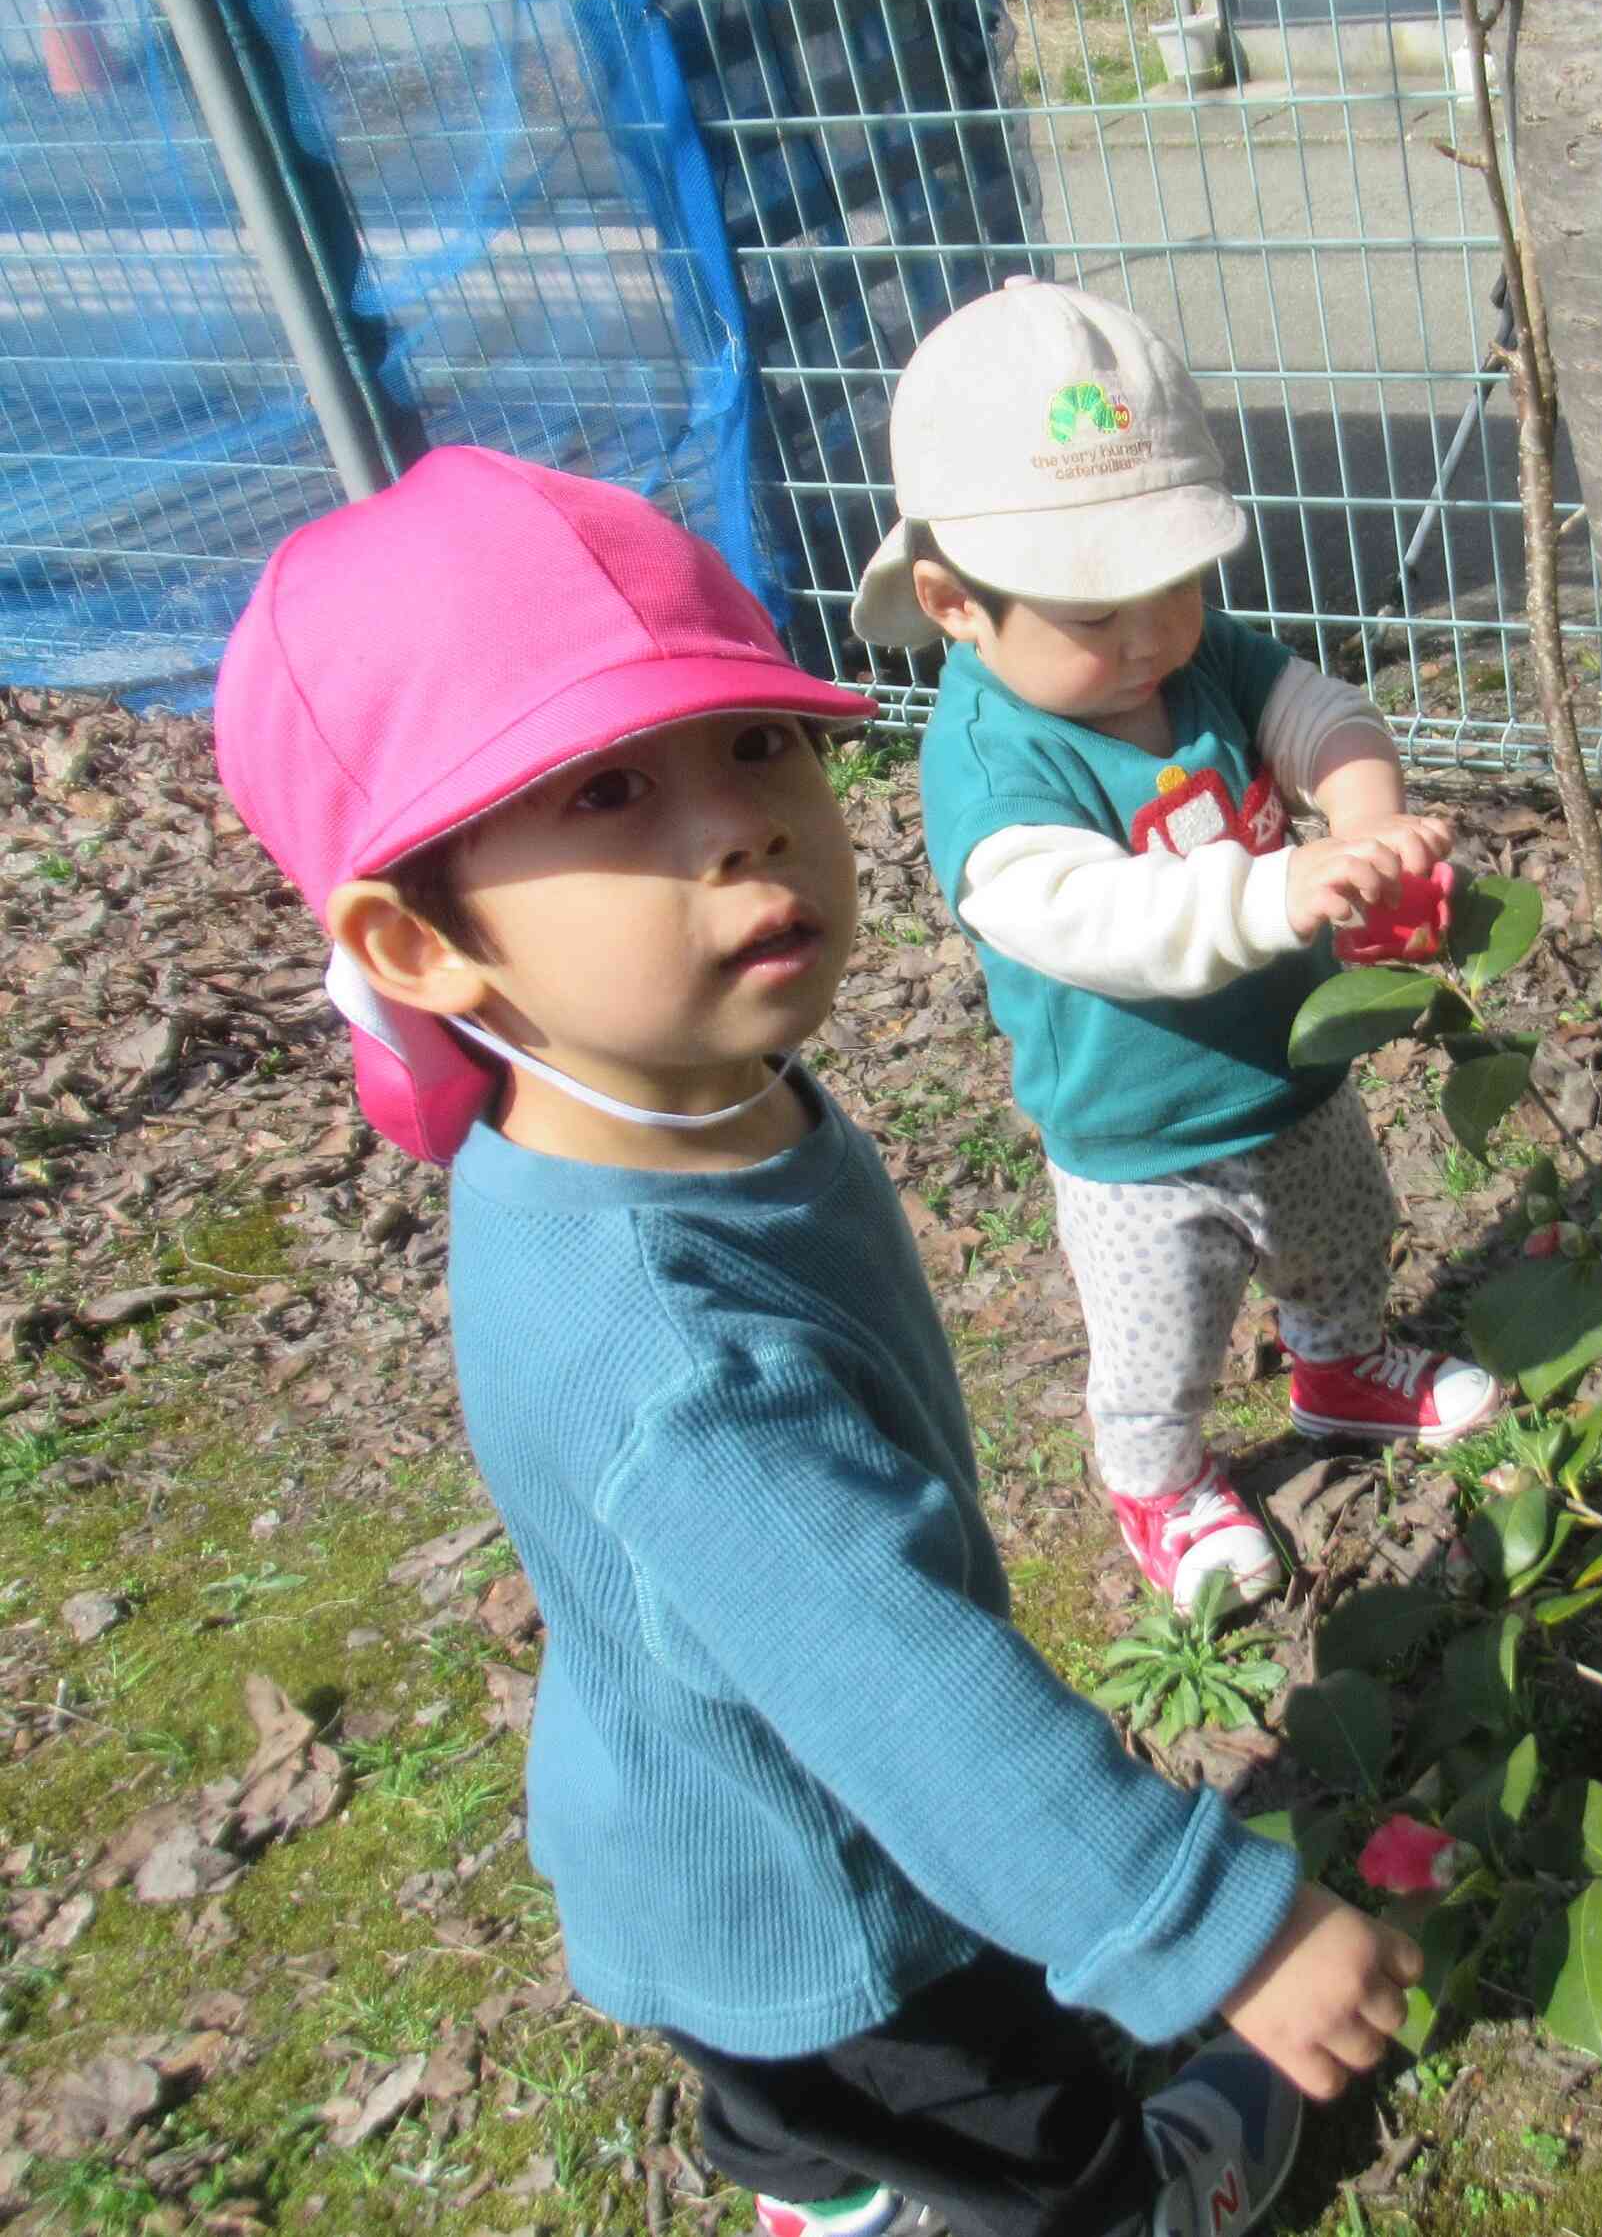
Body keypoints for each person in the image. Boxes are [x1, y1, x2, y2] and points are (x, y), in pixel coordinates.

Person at [212, 446, 1423, 2237]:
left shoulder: (653, 1098)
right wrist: (1218, 1933)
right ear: (422, 937)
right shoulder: (674, 1365)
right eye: (610, 788)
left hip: (694, 1817)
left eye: (759, 744)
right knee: (1010, 2128)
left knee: (817, 2105)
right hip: (850, 1894)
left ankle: (838, 2190)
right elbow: (912, 1699)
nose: (742, 824)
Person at [851, 278, 1504, 1619]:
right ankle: (1159, 1482)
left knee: (1342, 1232)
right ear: (953, 600)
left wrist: (1366, 812)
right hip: (1137, 1137)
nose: (1150, 632)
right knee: (1163, 1339)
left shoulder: (1191, 664)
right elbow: (1098, 919)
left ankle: (1340, 1367)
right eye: (1096, 611)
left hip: (1289, 1069)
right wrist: (1278, 892)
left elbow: (1315, 708)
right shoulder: (992, 760)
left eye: (1178, 583)